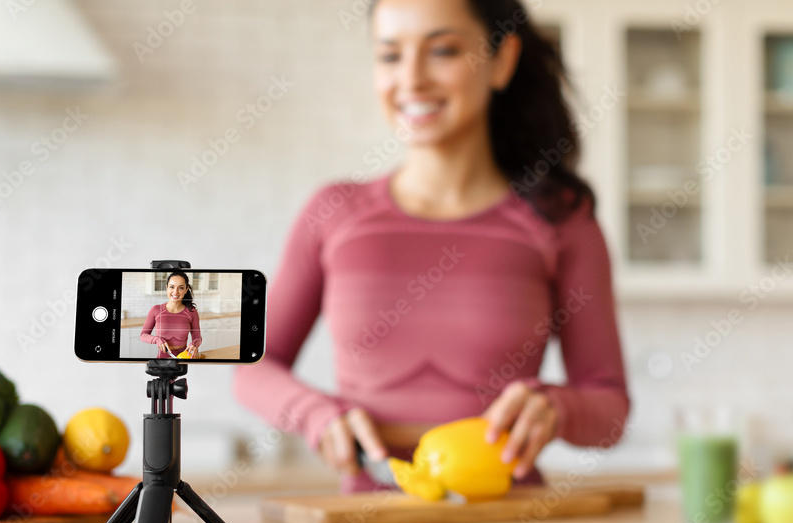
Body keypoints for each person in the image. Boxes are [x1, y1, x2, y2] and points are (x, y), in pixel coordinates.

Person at [233, 0, 630, 493]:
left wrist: (556, 407)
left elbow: (610, 411)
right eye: (390, 55)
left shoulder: (563, 221)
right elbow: (254, 365)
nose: (412, 79)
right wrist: (316, 413)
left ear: (502, 61)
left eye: (442, 50)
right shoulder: (334, 213)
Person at [140, 271, 202, 360]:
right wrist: (157, 340)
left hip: (183, 359)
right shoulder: (156, 310)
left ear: (186, 289)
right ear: (167, 288)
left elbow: (197, 337)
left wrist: (194, 344)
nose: (175, 292)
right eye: (172, 287)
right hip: (162, 361)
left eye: (181, 288)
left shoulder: (191, 311)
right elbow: (143, 335)